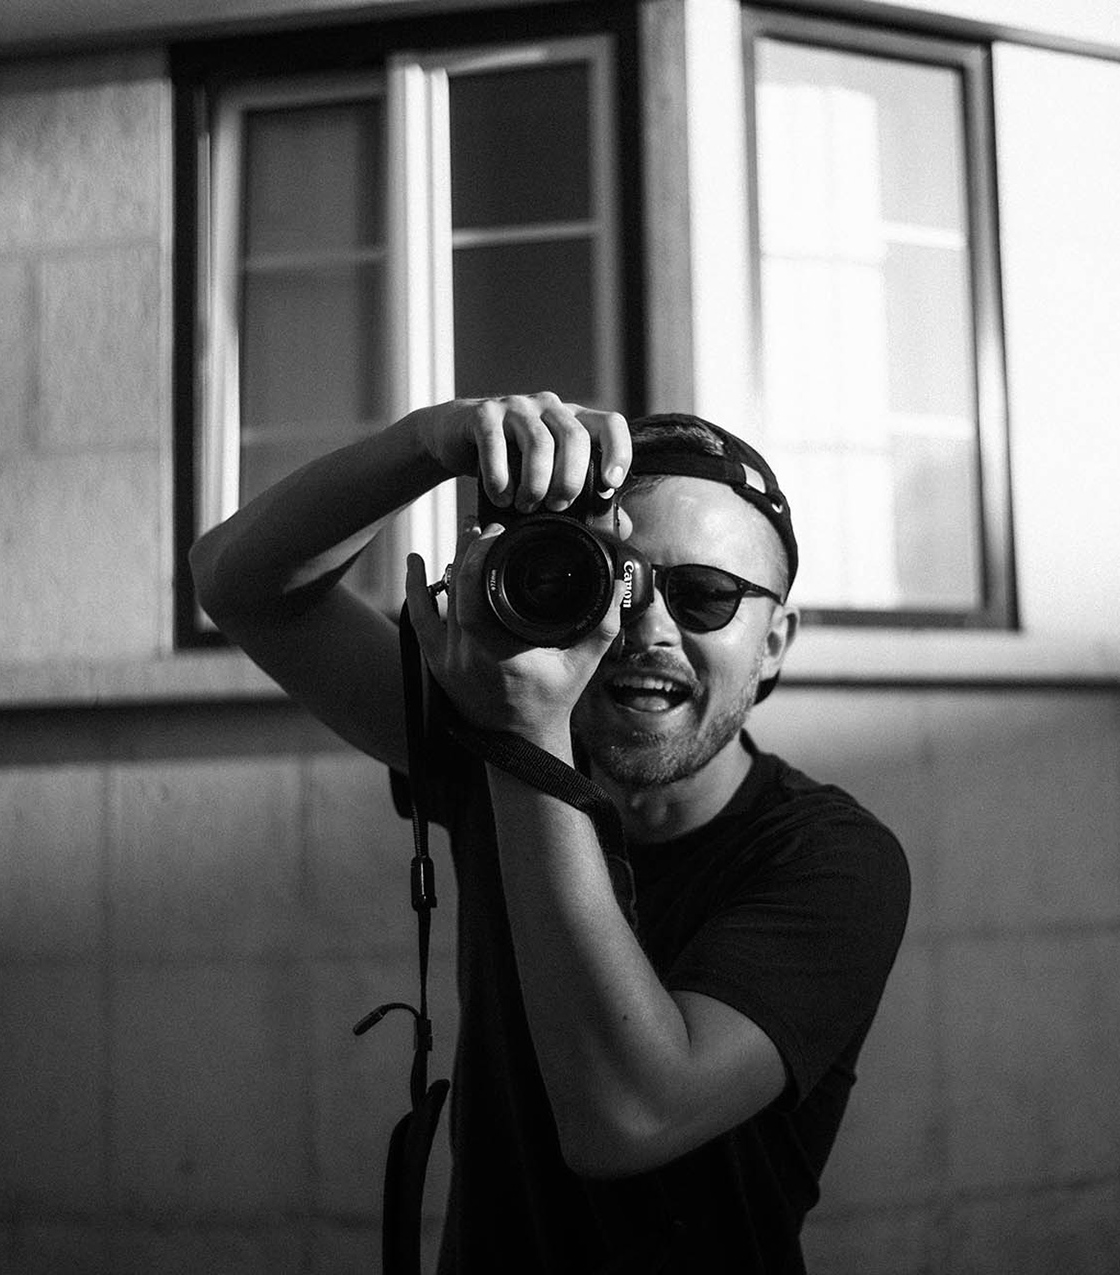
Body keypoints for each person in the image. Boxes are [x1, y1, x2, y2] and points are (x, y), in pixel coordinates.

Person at [189, 391, 910, 1273]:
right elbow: (237, 582)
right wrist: (430, 441)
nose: (650, 629)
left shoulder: (834, 858)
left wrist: (524, 738)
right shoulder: (495, 738)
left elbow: (627, 1115)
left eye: (706, 596)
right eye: (617, 580)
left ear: (774, 643)